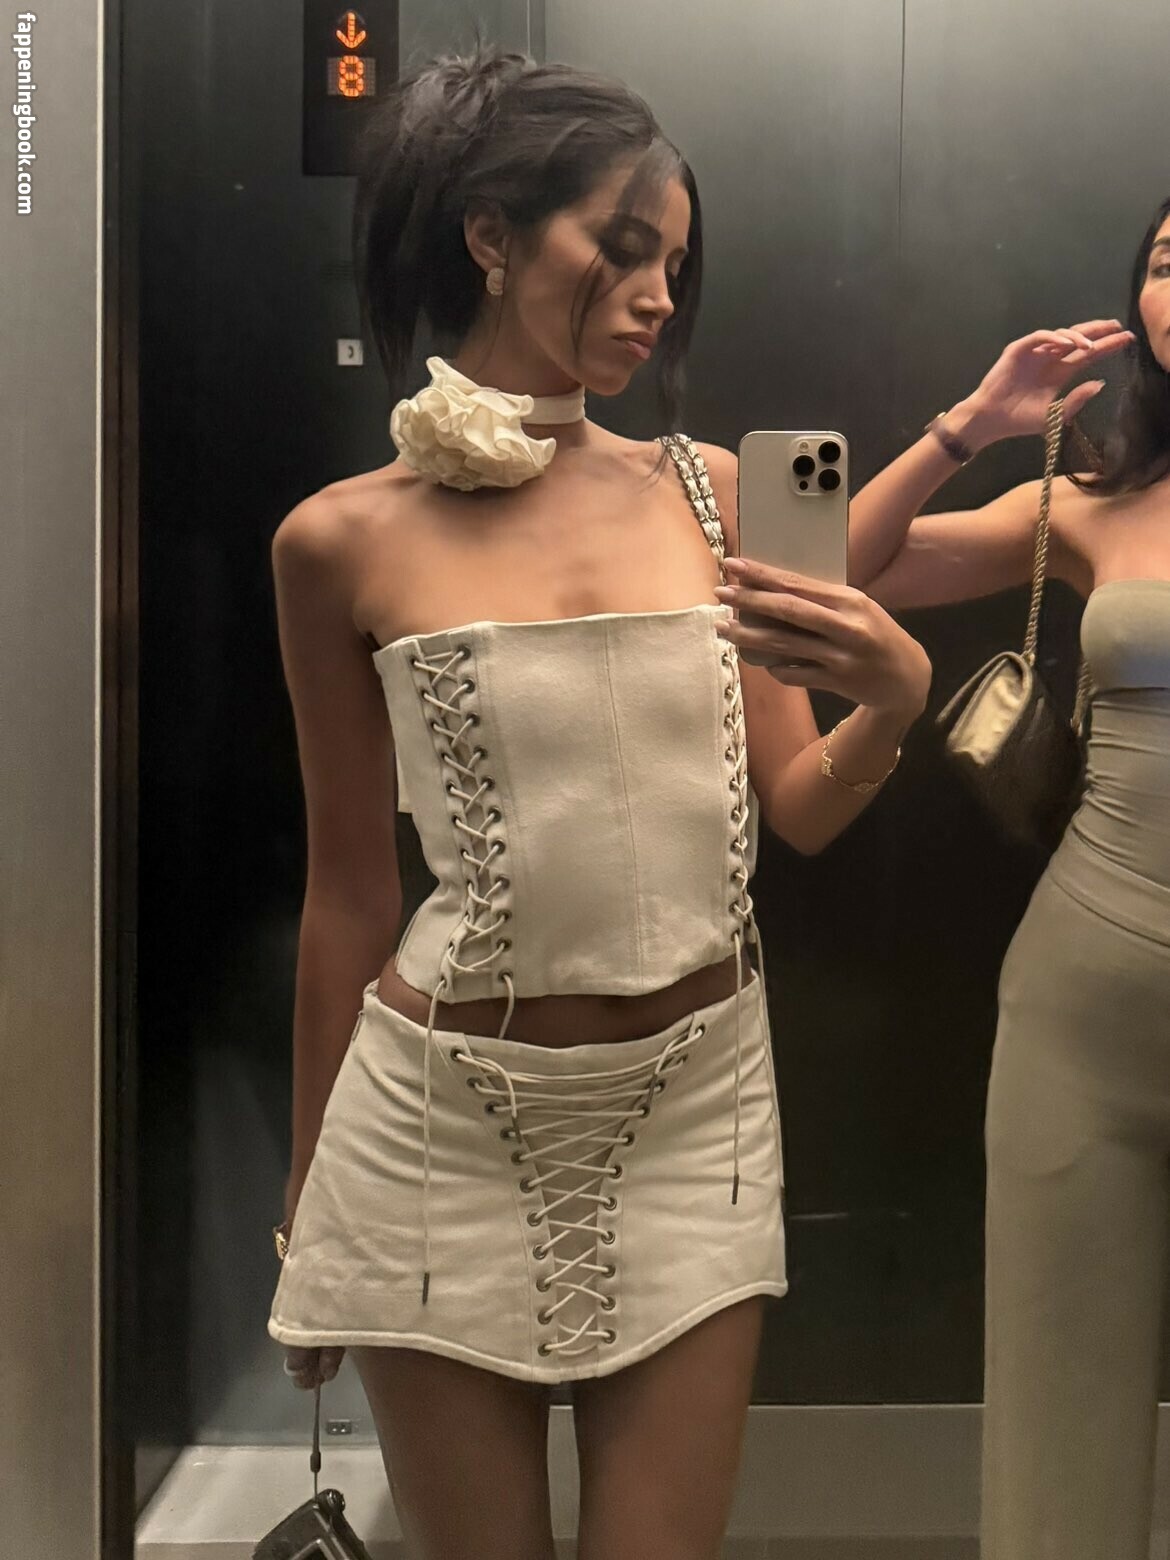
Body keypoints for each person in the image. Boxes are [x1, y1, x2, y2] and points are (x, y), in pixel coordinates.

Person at [266, 48, 931, 1560]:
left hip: (696, 1111)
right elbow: (347, 896)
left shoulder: (716, 496)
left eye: (673, 267)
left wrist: (891, 705)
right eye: (621, 249)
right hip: (433, 1127)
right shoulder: (335, 543)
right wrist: (307, 1205)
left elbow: (798, 810)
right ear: (491, 237)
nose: (653, 297)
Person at [841, 198, 1169, 1560]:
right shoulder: (1097, 501)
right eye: (1167, 260)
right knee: (1058, 1413)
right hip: (1090, 996)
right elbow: (841, 565)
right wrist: (968, 429)